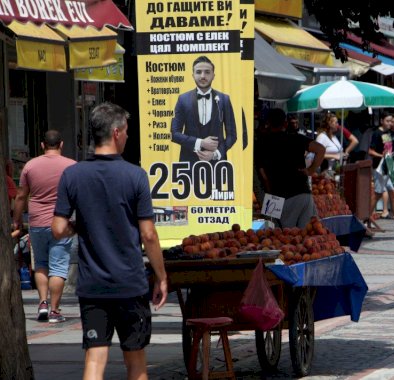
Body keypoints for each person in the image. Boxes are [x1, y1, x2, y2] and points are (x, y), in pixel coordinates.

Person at [51, 103, 168, 379]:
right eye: (126, 131)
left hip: (93, 286)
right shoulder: (135, 176)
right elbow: (148, 234)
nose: (128, 136)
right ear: (116, 133)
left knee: (94, 358)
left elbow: (57, 228)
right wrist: (161, 276)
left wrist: (79, 227)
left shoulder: (73, 174)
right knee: (136, 362)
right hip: (130, 284)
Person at [12, 130, 76, 323]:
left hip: (37, 222)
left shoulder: (30, 166)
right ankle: (55, 311)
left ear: (42, 145)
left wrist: (16, 220)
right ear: (61, 144)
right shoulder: (72, 166)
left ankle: (42, 303)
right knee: (58, 267)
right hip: (62, 222)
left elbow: (22, 195)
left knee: (40, 263)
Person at [256, 108, 325, 228]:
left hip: (278, 197)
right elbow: (321, 149)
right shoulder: (296, 138)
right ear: (286, 123)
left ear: (268, 124)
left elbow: (264, 176)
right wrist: (310, 170)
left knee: (282, 238)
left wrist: (270, 196)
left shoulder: (262, 144)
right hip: (303, 194)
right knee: (305, 236)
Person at [171, 56, 237, 165]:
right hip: (189, 165)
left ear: (213, 75)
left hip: (217, 165)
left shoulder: (224, 99)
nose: (203, 76)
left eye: (207, 72)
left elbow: (232, 135)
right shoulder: (183, 99)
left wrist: (215, 153)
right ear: (193, 75)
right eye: (198, 72)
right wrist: (200, 143)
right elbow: (174, 133)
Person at [369, 112, 394, 230]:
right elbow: (370, 151)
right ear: (381, 121)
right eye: (387, 121)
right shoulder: (377, 133)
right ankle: (366, 218)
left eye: (391, 121)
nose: (390, 123)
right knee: (377, 194)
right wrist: (382, 155)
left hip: (391, 166)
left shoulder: (388, 133)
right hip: (381, 168)